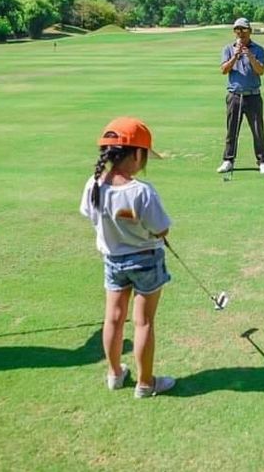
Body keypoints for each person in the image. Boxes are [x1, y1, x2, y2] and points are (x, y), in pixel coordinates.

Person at [79, 117, 176, 398]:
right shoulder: (142, 192)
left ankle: (114, 374)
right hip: (146, 260)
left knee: (113, 318)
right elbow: (162, 228)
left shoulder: (93, 184)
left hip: (113, 261)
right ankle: (145, 383)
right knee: (143, 322)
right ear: (136, 154)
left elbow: (90, 215)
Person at [217, 17, 264, 175]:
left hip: (253, 95)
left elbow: (260, 71)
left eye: (243, 29)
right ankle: (228, 160)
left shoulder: (258, 49)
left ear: (250, 31)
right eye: (237, 30)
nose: (240, 33)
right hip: (234, 95)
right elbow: (224, 70)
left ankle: (263, 161)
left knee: (257, 131)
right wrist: (235, 56)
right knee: (231, 130)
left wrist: (249, 55)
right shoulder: (228, 49)